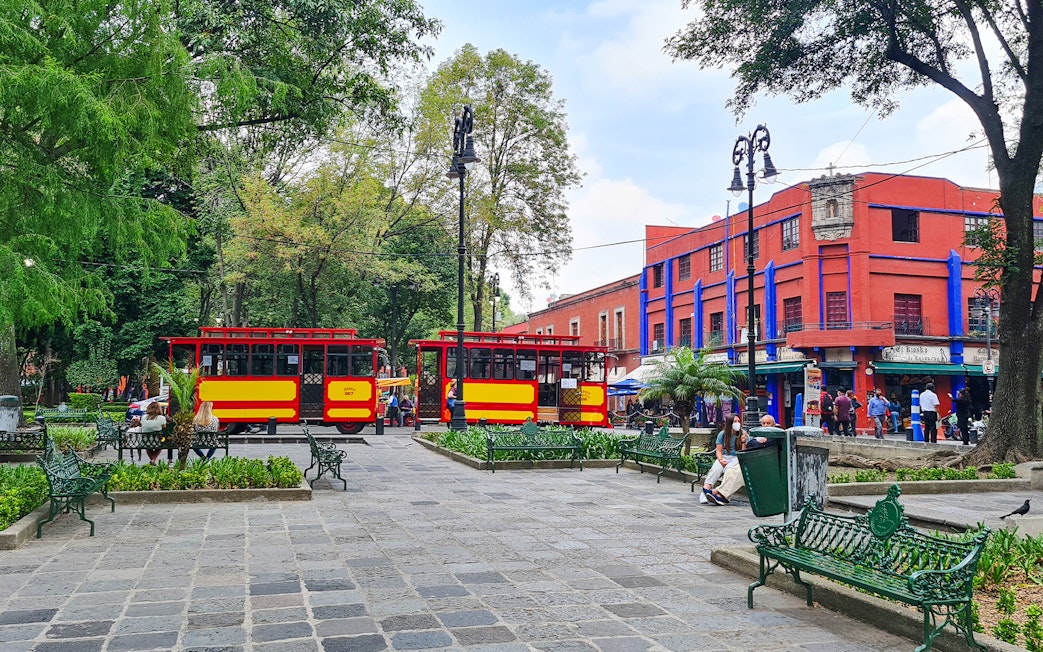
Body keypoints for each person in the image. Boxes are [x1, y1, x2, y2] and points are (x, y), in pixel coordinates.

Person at [708, 414, 779, 505]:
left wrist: (759, 442)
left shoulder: (774, 437)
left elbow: (762, 446)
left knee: (740, 472)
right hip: (751, 462)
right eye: (763, 423)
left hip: (762, 465)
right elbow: (747, 448)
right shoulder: (758, 436)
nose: (765, 425)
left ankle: (716, 492)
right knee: (731, 470)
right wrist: (745, 442)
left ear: (773, 425)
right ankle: (722, 496)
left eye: (768, 423)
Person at [701, 414, 743, 505]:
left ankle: (721, 495)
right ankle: (705, 491)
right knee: (715, 469)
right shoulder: (722, 434)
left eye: (738, 421)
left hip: (736, 457)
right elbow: (719, 451)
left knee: (729, 470)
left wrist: (743, 441)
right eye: (735, 422)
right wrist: (720, 460)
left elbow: (744, 451)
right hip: (724, 457)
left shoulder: (743, 434)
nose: (737, 423)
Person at [139, 401, 167, 465]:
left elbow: (141, 425)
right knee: (160, 446)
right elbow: (164, 427)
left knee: (148, 447)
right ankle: (153, 459)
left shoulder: (143, 417)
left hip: (145, 442)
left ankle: (152, 459)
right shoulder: (161, 418)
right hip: (157, 441)